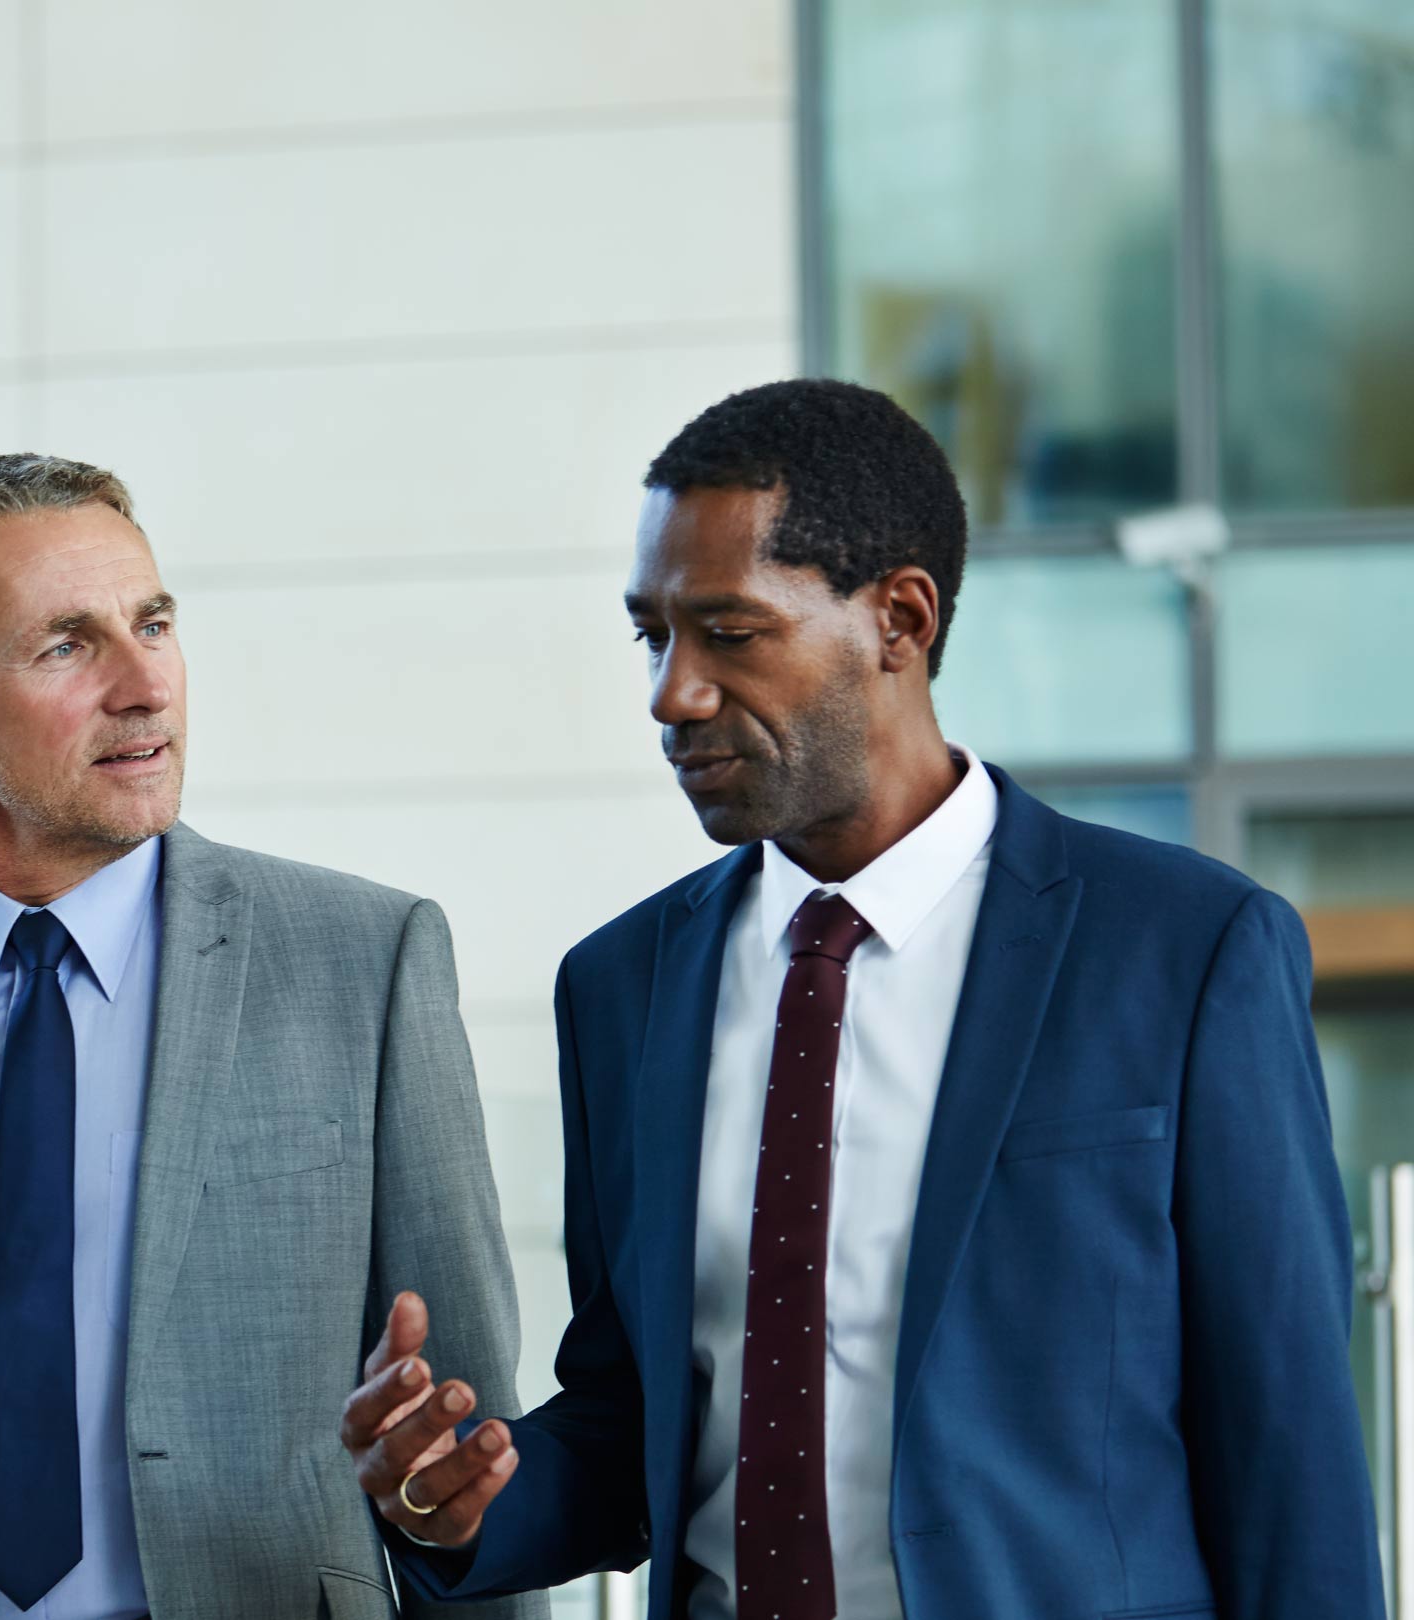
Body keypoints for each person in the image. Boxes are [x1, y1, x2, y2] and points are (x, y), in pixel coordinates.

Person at [341, 379, 1383, 1619]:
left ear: (899, 617)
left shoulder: (1186, 952)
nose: (673, 694)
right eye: (653, 636)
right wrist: (463, 1500)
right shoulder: (621, 989)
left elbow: (1290, 1458)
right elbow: (637, 1427)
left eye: (728, 632)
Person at [0, 453, 542, 1620]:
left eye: (155, 622)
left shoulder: (362, 960)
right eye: (67, 645)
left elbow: (460, 1433)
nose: (147, 687)